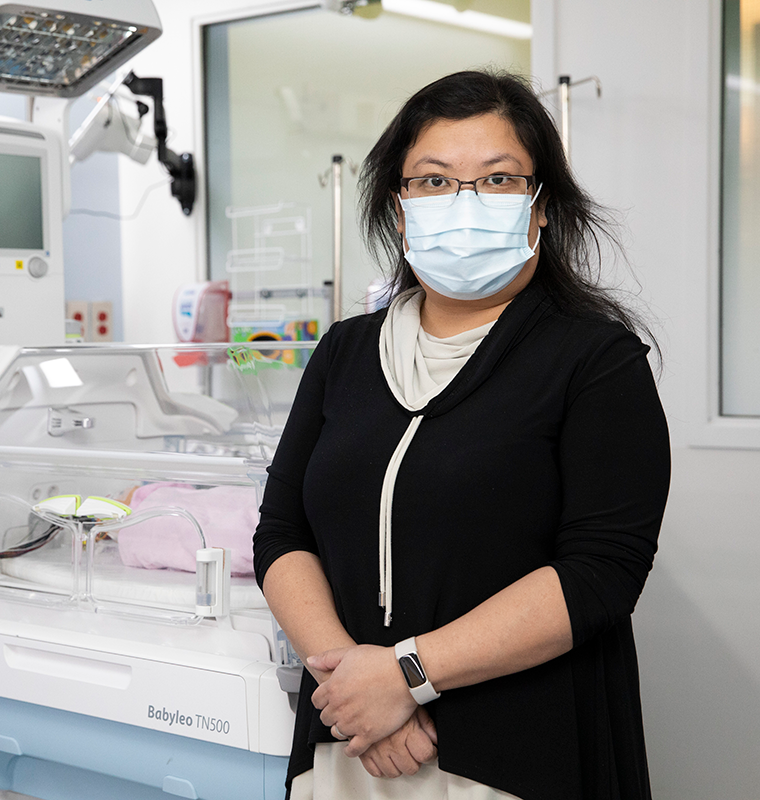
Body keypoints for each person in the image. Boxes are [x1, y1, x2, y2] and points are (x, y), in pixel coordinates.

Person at [252, 70, 671, 800]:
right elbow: (282, 531)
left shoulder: (593, 360)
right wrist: (358, 688)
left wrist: (407, 676)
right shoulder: (346, 352)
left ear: (541, 208)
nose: (465, 203)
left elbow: (602, 571)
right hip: (349, 741)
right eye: (435, 181)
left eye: (499, 179)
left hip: (515, 754)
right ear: (401, 205)